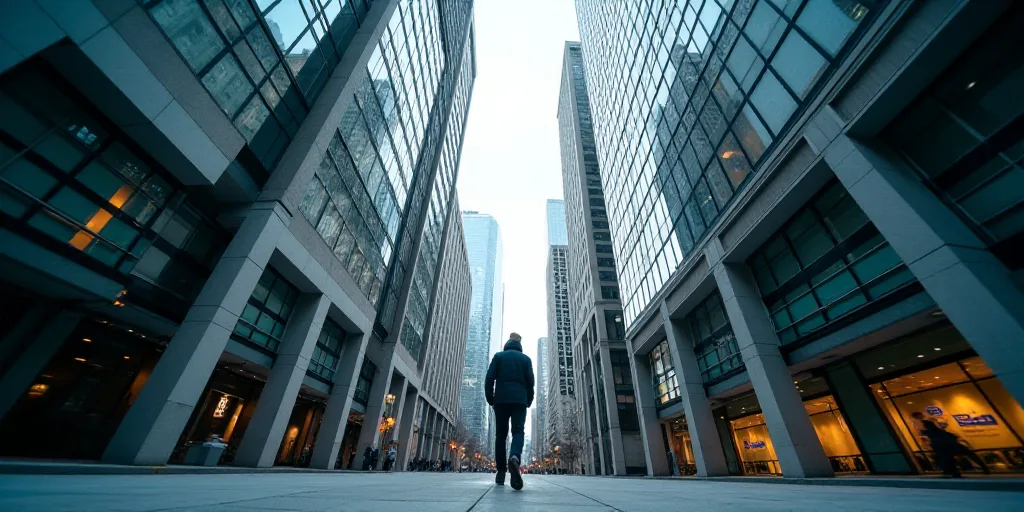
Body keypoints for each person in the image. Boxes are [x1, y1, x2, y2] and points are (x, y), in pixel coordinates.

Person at [485, 332, 535, 491]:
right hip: (519, 400)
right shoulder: (526, 359)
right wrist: (528, 400)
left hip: (500, 400)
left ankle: (501, 472)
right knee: (518, 431)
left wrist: (490, 397)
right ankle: (514, 457)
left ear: (507, 343)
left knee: (501, 435)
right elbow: (530, 383)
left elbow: (489, 378)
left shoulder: (499, 357)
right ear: (519, 344)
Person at [911, 412, 990, 477]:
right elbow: (939, 429)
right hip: (944, 440)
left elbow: (924, 432)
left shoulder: (923, 423)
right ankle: (982, 467)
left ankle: (953, 473)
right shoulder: (928, 422)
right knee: (964, 453)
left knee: (948, 457)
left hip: (939, 441)